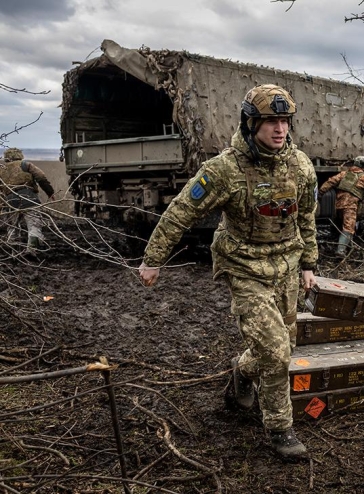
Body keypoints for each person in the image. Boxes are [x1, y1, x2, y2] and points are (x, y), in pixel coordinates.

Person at [137, 84, 318, 460]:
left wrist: (308, 264)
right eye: (270, 121)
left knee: (283, 347)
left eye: (285, 121)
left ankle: (241, 371)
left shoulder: (300, 166)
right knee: (275, 352)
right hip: (244, 266)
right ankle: (281, 429)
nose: (280, 129)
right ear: (251, 123)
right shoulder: (224, 170)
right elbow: (181, 211)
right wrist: (153, 259)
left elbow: (306, 217)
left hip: (286, 265)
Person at [318, 156, 364, 256]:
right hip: (350, 207)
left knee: (339, 225)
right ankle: (341, 251)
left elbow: (330, 182)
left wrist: (320, 193)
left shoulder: (344, 174)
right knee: (348, 227)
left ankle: (341, 245)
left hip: (338, 206)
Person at [0, 147, 55, 256]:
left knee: (12, 228)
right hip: (29, 199)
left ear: (6, 157)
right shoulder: (26, 165)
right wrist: (50, 192)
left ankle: (13, 251)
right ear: (20, 156)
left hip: (9, 201)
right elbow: (41, 177)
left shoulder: (2, 170)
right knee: (34, 225)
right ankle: (32, 250)